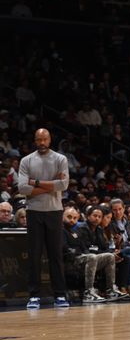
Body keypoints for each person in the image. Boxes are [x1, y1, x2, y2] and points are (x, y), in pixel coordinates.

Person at [18, 129, 70, 309]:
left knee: (55, 255)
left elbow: (64, 184)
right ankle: (34, 296)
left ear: (50, 139)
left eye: (44, 139)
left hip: (54, 211)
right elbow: (22, 188)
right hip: (33, 211)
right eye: (38, 139)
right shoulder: (26, 160)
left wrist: (36, 182)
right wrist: (51, 185)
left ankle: (60, 295)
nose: (41, 142)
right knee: (34, 255)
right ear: (35, 140)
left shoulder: (60, 159)